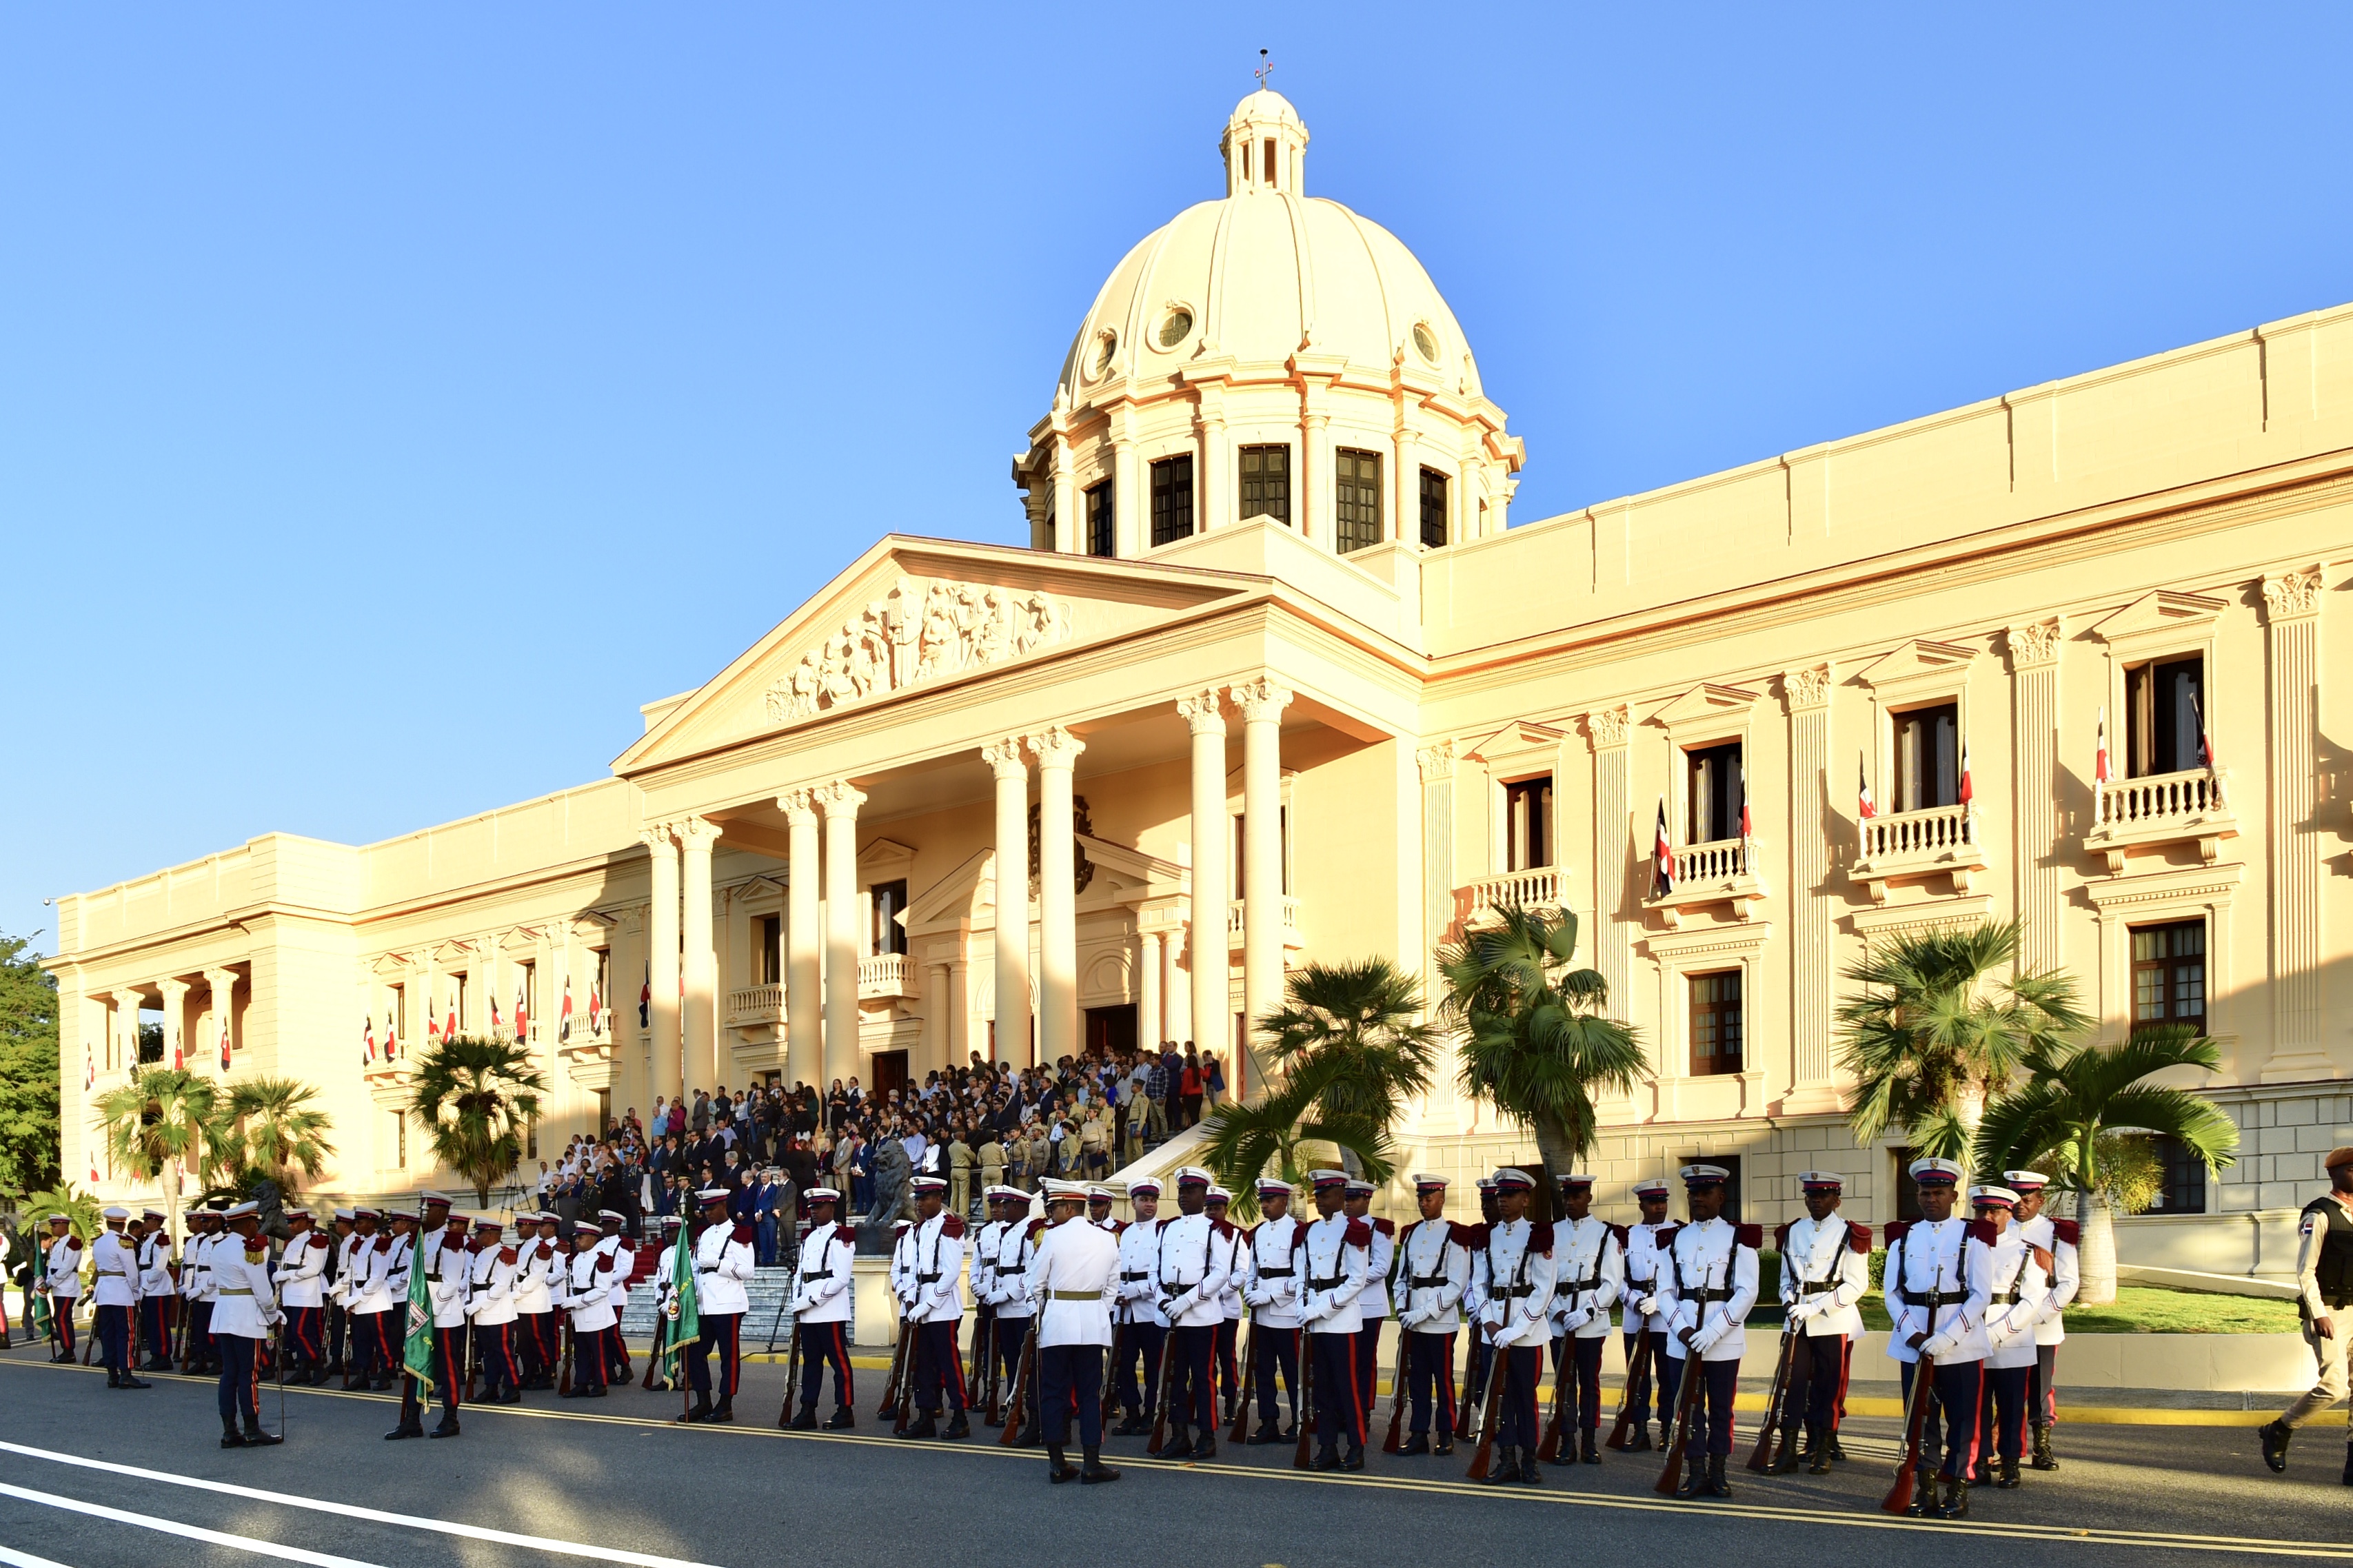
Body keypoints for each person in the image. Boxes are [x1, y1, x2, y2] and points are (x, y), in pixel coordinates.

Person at [1884, 1157, 1994, 1519]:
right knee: (1921, 1420)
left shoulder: (1972, 1237)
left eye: (1939, 1193)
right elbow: (1891, 1294)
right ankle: (1926, 1488)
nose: (1931, 1199)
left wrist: (1947, 1338)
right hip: (1914, 1344)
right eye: (1925, 1193)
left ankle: (1958, 1488)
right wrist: (1912, 1334)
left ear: (1953, 1196)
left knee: (1962, 1421)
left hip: (1960, 1346)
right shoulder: (1903, 1238)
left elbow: (1980, 1295)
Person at [1658, 1163, 1759, 1500]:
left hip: (1723, 1340)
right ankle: (1696, 1471)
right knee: (1689, 1408)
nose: (1698, 1199)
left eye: (1706, 1193)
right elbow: (1665, 1291)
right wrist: (1682, 1329)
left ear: (1721, 1197)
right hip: (1682, 1339)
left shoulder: (1738, 1238)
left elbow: (1747, 1291)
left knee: (1720, 1409)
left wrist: (1713, 1333)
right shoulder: (1674, 1238)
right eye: (1693, 1193)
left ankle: (1718, 1472)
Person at [1771, 1171, 1870, 1473]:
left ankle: (1823, 1450)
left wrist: (1815, 1308)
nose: (1816, 1201)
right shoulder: (1793, 1231)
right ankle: (1788, 1451)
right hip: (1797, 1320)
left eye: (1823, 1196)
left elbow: (1856, 1285)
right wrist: (1789, 1303)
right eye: (1811, 1196)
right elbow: (1786, 1279)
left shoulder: (1850, 1233)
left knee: (1828, 1387)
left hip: (1832, 1320)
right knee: (1792, 1385)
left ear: (1836, 1200)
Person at [1030, 1179, 1122, 1483]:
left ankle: (1058, 1463)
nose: (1051, 1213)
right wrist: (1095, 1309)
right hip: (1093, 1323)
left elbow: (1036, 1284)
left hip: (1058, 1322)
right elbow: (1112, 1287)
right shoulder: (1108, 1239)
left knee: (1054, 1393)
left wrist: (1051, 1308)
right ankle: (1092, 1463)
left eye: (1055, 1207)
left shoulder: (1053, 1238)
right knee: (1089, 1395)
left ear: (1070, 1207)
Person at [1473, 1168, 1554, 1485]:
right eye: (1500, 1195)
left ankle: (1529, 1460)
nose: (1503, 1201)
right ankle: (1506, 1459)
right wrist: (1490, 1323)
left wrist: (1517, 1330)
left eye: (1510, 1195)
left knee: (1524, 1397)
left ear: (1526, 1199)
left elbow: (1544, 1288)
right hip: (1494, 1330)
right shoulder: (1487, 1236)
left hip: (1526, 1332)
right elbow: (1478, 1284)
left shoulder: (1538, 1235)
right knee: (1499, 1396)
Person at [1970, 1185, 2049, 1489]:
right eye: (1981, 1211)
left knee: (2012, 1407)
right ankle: (1980, 1461)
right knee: (1976, 1406)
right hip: (1970, 1339)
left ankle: (2011, 1463)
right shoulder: (1966, 1248)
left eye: (1994, 1211)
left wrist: (1994, 1334)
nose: (1987, 1217)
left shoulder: (2027, 1252)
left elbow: (2031, 1302)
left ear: (2007, 1214)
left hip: (2011, 1341)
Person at [1150, 1167, 1231, 1461]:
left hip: (1200, 1315)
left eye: (1191, 1191)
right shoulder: (1166, 1229)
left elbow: (1220, 1273)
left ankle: (1207, 1437)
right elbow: (1153, 1270)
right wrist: (1161, 1298)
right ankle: (1179, 1435)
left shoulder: (1215, 1230)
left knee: (1202, 1378)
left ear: (1204, 1195)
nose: (1184, 1196)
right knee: (1173, 1377)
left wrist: (1186, 1302)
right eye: (1181, 1191)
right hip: (1168, 1312)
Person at [1393, 1174, 1471, 1456]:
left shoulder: (1455, 1235)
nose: (1423, 1204)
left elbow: (1457, 1285)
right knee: (1418, 1380)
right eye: (1421, 1199)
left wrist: (1424, 1312)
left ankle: (1446, 1432)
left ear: (1441, 1200)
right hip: (1412, 1319)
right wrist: (1402, 1309)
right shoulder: (1412, 1234)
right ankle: (1419, 1432)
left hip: (1439, 1322)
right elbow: (1401, 1278)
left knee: (1443, 1379)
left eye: (1428, 1199)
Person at [1300, 1169, 1372, 1472]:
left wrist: (1320, 1309)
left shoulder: (1354, 1230)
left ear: (1341, 1197)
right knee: (1322, 1389)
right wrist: (1302, 1307)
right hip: (1315, 1320)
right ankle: (1327, 1447)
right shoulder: (1310, 1231)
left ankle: (1356, 1447)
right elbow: (1302, 1274)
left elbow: (1356, 1281)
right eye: (1317, 1195)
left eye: (1325, 1195)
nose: (1319, 1200)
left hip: (1341, 1321)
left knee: (1347, 1388)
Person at [1546, 1174, 1620, 1466]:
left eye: (1576, 1196)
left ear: (1589, 1198)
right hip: (1559, 1321)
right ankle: (1567, 1441)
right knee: (1564, 1383)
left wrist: (1587, 1313)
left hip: (1590, 1323)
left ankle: (1589, 1442)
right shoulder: (1552, 1232)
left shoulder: (1605, 1234)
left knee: (1589, 1383)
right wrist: (1558, 1312)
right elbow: (1543, 1280)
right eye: (1566, 1196)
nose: (1570, 1202)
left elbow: (1611, 1283)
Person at [2008, 1168, 2079, 1472]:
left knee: (2040, 1388)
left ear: (2040, 1200)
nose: (2020, 1206)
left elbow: (2068, 1283)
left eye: (2027, 1200)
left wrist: (2035, 1315)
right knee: (2006, 1389)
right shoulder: (1997, 1230)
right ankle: (2006, 1449)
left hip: (2041, 1326)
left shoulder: (2055, 1233)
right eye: (2015, 1200)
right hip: (2003, 1324)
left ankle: (2042, 1448)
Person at [897, 1176, 971, 1440]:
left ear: (939, 1199)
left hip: (942, 1308)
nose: (919, 1204)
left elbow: (950, 1274)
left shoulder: (950, 1227)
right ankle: (925, 1416)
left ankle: (960, 1416)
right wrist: (910, 1300)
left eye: (925, 1199)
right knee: (923, 1365)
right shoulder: (919, 1230)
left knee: (949, 1365)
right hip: (919, 1305)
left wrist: (928, 1304)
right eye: (917, 1199)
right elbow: (913, 1272)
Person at [210, 1201, 285, 1449]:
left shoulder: (219, 1247)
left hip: (224, 1312)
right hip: (245, 1316)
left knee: (229, 1374)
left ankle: (230, 1431)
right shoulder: (249, 1249)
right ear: (249, 1224)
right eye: (255, 1224)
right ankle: (252, 1429)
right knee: (248, 1374)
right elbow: (262, 1291)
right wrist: (274, 1316)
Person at [1237, 1177, 1304, 1443]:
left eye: (1270, 1200)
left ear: (1284, 1201)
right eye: (1262, 1201)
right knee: (1262, 1370)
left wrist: (1270, 1296)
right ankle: (1268, 1421)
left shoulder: (1298, 1232)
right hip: (1261, 1315)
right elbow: (1253, 1269)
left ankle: (1300, 1420)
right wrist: (1250, 1291)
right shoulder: (1259, 1232)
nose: (1264, 1205)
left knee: (1293, 1372)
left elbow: (1302, 1276)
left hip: (1286, 1314)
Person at [787, 1187, 858, 1429]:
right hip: (808, 1311)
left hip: (830, 1310)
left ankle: (845, 1409)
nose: (814, 1212)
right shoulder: (810, 1238)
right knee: (811, 1363)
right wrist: (797, 1300)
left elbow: (841, 1278)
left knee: (839, 1362)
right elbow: (801, 1273)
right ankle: (808, 1409)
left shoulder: (841, 1236)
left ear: (832, 1208)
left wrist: (811, 1300)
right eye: (812, 1208)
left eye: (819, 1207)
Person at [683, 1188, 756, 1423]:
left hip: (728, 1304)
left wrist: (717, 1263)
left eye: (712, 1208)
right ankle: (703, 1400)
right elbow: (697, 1268)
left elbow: (748, 1272)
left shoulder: (738, 1233)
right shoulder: (704, 1234)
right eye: (705, 1210)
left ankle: (725, 1404)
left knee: (729, 1356)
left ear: (724, 1206)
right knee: (695, 1352)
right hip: (704, 1303)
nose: (708, 1213)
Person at [1616, 1177, 1676, 1449]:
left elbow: (1680, 1278)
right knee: (1638, 1377)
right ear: (1641, 1205)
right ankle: (1640, 1430)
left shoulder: (1678, 1233)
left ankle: (1667, 1429)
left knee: (1668, 1376)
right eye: (1653, 1202)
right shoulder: (1628, 1236)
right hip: (1635, 1317)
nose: (1659, 1207)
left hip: (1667, 1319)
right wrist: (1634, 1301)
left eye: (1663, 1201)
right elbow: (1617, 1277)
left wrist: (1659, 1302)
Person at [1111, 1178, 1167, 1437]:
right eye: (1144, 1200)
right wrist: (1116, 1292)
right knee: (1124, 1364)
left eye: (1153, 1200)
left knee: (1154, 1365)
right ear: (1133, 1203)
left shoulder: (1163, 1231)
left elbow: (1163, 1272)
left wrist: (1137, 1291)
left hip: (1150, 1308)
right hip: (1125, 1310)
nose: (1149, 1204)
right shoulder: (1126, 1233)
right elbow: (1115, 1268)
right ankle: (1131, 1411)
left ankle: (1150, 1414)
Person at [986, 1186, 1040, 1438]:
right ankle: (1014, 1407)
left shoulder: (1031, 1232)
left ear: (1018, 1207)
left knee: (1027, 1363)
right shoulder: (1008, 1232)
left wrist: (1008, 1293)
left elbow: (1031, 1271)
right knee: (1010, 1360)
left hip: (1020, 1306)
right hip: (1004, 1308)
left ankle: (1029, 1410)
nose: (1003, 1210)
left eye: (1006, 1206)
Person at [1343, 1178, 1394, 1432]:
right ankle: (1344, 1409)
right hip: (1341, 1304)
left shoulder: (1379, 1229)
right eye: (1346, 1199)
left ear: (1366, 1200)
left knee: (1364, 1360)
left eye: (1353, 1199)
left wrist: (1349, 1281)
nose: (1348, 1204)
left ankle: (1363, 1409)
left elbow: (1382, 1267)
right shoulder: (1338, 1227)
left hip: (1368, 1305)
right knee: (1343, 1361)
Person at [558, 1218, 618, 1400]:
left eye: (581, 1237)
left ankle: (601, 1384)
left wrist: (575, 1302)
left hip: (595, 1312)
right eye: (576, 1237)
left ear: (593, 1238)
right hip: (578, 1312)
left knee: (597, 1351)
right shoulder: (576, 1259)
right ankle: (581, 1383)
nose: (576, 1241)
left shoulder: (602, 1259)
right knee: (581, 1350)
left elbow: (602, 1290)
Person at [466, 1217, 523, 1405]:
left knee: (504, 1352)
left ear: (490, 1235)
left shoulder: (505, 1254)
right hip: (482, 1312)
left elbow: (501, 1286)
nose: (476, 1236)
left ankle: (513, 1388)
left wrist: (480, 1304)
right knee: (488, 1352)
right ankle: (491, 1387)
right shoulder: (481, 1254)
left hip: (498, 1311)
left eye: (479, 1233)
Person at [88, 1205, 146, 1389]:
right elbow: (131, 1271)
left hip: (104, 1292)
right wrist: (136, 1293)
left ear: (107, 1223)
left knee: (108, 1335)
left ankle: (112, 1374)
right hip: (121, 1292)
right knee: (126, 1335)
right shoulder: (124, 1242)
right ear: (123, 1224)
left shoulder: (99, 1242)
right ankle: (126, 1373)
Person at [1203, 1188, 1246, 1425]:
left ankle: (1230, 1405)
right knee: (1204, 1360)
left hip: (1226, 1306)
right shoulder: (1199, 1233)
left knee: (1227, 1357)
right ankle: (1205, 1406)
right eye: (1208, 1208)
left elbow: (1241, 1273)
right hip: (1201, 1307)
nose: (1212, 1212)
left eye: (1216, 1208)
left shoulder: (1237, 1236)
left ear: (1225, 1210)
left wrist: (1215, 1293)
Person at [274, 1208, 331, 1385]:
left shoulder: (315, 1241)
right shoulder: (293, 1242)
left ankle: (319, 1367)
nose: (290, 1226)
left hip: (306, 1295)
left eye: (294, 1222)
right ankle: (303, 1369)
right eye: (288, 1222)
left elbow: (314, 1269)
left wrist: (286, 1275)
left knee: (301, 1332)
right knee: (294, 1333)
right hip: (290, 1294)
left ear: (306, 1223)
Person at [512, 1213, 563, 1390]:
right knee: (524, 1342)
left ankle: (547, 1374)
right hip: (521, 1299)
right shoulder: (525, 1246)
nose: (518, 1230)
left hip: (533, 1300)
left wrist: (515, 1295)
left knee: (538, 1339)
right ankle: (529, 1372)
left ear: (532, 1227)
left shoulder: (541, 1248)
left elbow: (535, 1277)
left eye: (521, 1226)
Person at [137, 1208, 178, 1374]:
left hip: (158, 1288)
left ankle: (164, 1356)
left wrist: (145, 1287)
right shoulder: (149, 1239)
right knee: (151, 1323)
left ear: (155, 1223)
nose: (144, 1224)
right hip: (149, 1287)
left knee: (159, 1323)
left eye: (146, 1222)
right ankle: (156, 1355)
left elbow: (159, 1268)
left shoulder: (161, 1241)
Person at [39, 1212, 83, 1364]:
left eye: (54, 1225)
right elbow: (52, 1267)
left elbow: (67, 1268)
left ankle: (69, 1351)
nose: (52, 1228)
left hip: (67, 1287)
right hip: (58, 1287)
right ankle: (67, 1350)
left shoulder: (73, 1243)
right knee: (62, 1318)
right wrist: (47, 1283)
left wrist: (50, 1283)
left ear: (64, 1226)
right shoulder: (58, 1244)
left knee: (61, 1318)